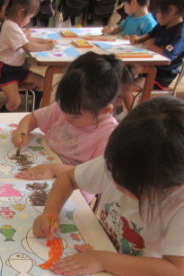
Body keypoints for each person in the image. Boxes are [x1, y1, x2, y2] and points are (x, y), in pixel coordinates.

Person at [33, 96, 184, 276]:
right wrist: (50, 212)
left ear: (171, 184)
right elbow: (68, 178)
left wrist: (103, 260)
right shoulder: (123, 163)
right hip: (99, 265)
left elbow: (176, 273)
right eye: (114, 175)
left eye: (128, 186)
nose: (116, 184)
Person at [12, 52, 124, 180]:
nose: (66, 118)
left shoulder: (109, 136)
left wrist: (54, 169)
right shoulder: (69, 107)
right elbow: (33, 118)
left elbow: (96, 176)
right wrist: (22, 131)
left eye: (75, 116)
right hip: (43, 165)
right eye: (64, 109)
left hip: (73, 184)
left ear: (105, 110)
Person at [0, 0, 56, 112]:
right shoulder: (10, 26)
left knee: (43, 83)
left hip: (18, 69)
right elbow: (28, 46)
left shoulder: (13, 24)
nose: (29, 21)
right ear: (21, 13)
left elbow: (27, 39)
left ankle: (34, 111)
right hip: (6, 72)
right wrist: (47, 47)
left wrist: (45, 41)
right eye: (30, 17)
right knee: (14, 102)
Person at [129, 0, 184, 90]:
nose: (156, 15)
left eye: (158, 11)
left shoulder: (179, 35)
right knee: (122, 77)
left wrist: (151, 46)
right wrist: (138, 39)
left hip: (159, 77)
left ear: (171, 10)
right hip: (147, 67)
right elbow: (150, 34)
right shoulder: (164, 23)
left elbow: (166, 56)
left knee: (126, 88)